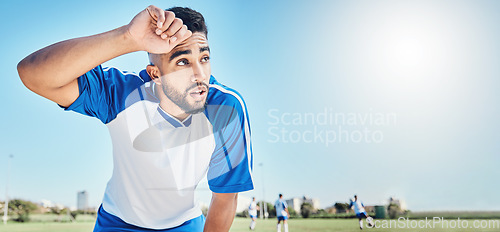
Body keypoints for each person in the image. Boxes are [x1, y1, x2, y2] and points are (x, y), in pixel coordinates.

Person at [17, 5, 254, 232]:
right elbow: (32, 73)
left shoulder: (226, 108)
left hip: (185, 224)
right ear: (155, 74)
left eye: (204, 58)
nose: (200, 75)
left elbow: (225, 197)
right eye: (183, 62)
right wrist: (128, 37)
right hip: (118, 222)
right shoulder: (121, 93)